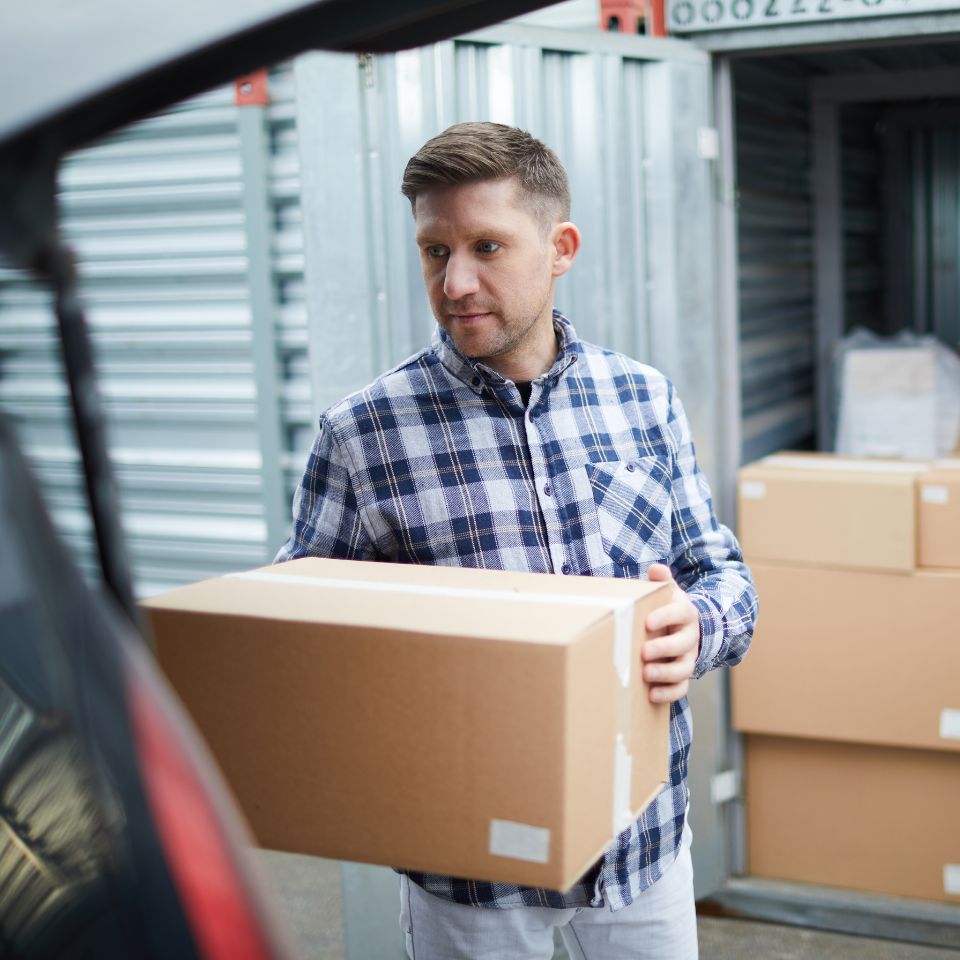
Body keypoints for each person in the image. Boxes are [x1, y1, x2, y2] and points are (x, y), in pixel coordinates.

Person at [276, 121, 758, 960]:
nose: (456, 280)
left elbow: (721, 577)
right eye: (434, 251)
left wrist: (699, 627)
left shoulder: (644, 400)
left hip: (642, 851)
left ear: (560, 246)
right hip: (470, 882)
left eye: (487, 246)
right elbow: (298, 642)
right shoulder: (361, 435)